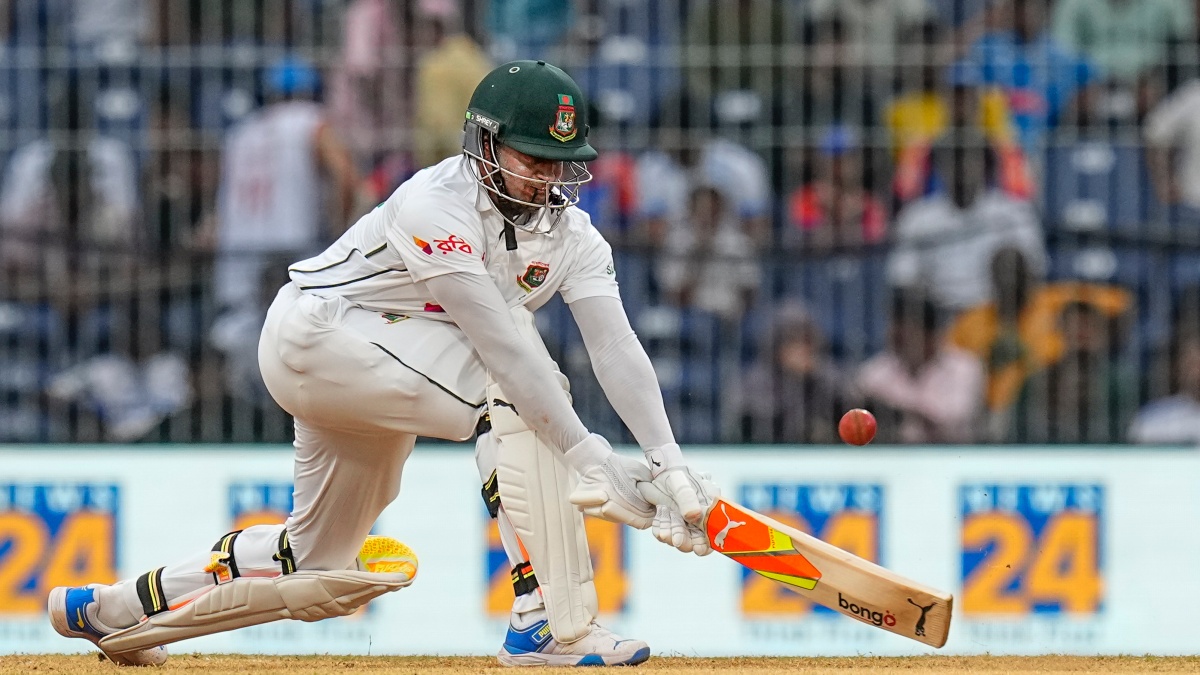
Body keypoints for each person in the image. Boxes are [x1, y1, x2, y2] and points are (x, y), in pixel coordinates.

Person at [48, 60, 716, 668]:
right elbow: (503, 352)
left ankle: (109, 609)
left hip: (388, 367)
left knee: (315, 565)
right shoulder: (434, 204)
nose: (547, 176)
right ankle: (548, 623)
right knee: (509, 383)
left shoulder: (574, 236)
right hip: (316, 338)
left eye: (560, 161)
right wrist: (591, 458)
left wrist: (669, 462)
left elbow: (616, 345)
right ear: (485, 144)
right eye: (532, 157)